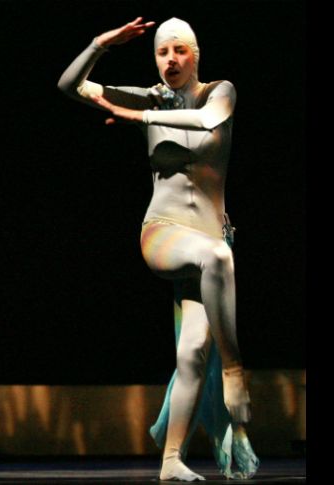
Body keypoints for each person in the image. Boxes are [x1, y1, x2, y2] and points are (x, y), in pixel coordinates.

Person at [58, 17, 259, 481]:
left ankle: (171, 461)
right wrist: (100, 43)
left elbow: (207, 120)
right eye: (162, 52)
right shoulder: (148, 97)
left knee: (191, 353)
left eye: (179, 50)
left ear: (195, 55)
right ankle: (235, 372)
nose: (170, 59)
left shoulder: (219, 93)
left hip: (209, 239)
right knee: (218, 258)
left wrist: (141, 117)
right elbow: (70, 86)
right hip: (164, 233)